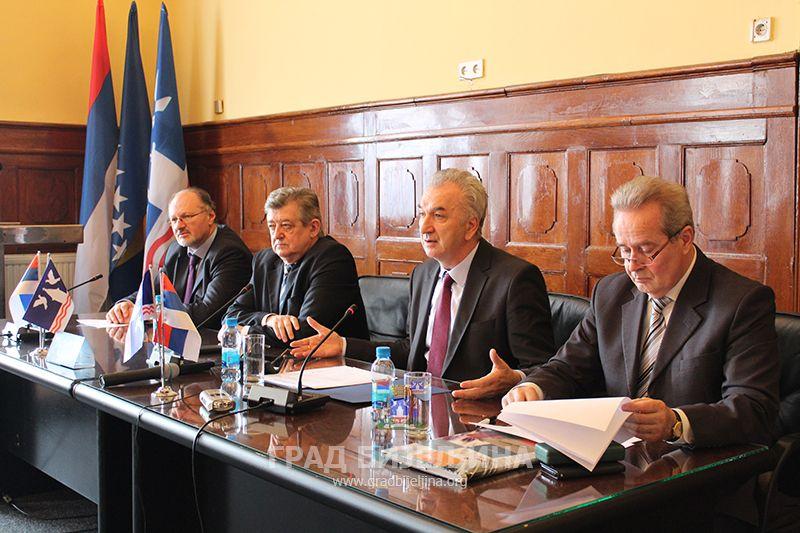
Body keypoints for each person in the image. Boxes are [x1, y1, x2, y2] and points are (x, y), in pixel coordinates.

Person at [503, 176, 779, 447]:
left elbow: (754, 408)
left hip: (692, 462)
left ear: (685, 239)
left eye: (646, 250)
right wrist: (532, 388)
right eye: (624, 251)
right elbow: (568, 367)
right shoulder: (611, 292)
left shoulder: (741, 302)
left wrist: (676, 422)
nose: (632, 266)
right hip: (615, 456)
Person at [291, 169, 555, 400]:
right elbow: (411, 351)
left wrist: (516, 378)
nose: (425, 227)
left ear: (470, 226)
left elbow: (543, 368)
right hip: (418, 411)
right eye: (422, 214)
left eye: (438, 216)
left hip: (476, 416)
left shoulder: (515, 279)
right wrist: (344, 345)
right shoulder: (423, 274)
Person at [224, 187, 369, 348]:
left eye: (286, 226)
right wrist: (269, 319)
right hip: (277, 359)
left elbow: (306, 332)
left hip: (332, 362)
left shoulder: (333, 259)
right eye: (272, 226)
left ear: (313, 228)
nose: (277, 234)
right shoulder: (265, 261)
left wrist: (245, 332)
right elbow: (231, 316)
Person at [106, 187, 252, 328]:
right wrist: (128, 305)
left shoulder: (230, 253)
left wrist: (146, 313)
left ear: (210, 216)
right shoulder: (177, 248)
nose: (178, 226)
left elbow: (207, 313)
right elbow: (155, 291)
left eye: (186, 217)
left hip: (215, 339)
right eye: (174, 220)